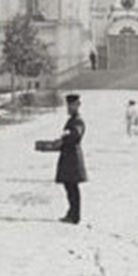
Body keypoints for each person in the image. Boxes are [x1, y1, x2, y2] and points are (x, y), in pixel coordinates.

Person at [53, 93, 87, 223]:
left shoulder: (77, 120)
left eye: (71, 105)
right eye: (68, 105)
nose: (69, 108)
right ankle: (72, 213)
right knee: (69, 187)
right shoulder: (73, 119)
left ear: (77, 105)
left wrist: (63, 140)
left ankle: (74, 215)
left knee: (72, 187)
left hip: (73, 158)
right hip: (69, 157)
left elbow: (75, 135)